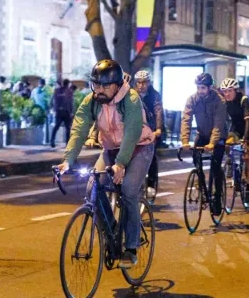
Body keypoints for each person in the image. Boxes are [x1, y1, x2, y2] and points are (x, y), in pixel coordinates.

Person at [55, 59, 154, 268]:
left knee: (128, 190)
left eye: (105, 86)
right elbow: (79, 129)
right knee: (93, 187)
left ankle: (131, 248)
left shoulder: (131, 99)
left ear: (117, 85)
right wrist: (67, 160)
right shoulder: (92, 101)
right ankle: (112, 229)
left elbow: (132, 132)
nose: (99, 90)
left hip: (139, 147)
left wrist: (120, 164)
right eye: (96, 85)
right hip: (111, 149)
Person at [181, 73, 227, 215]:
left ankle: (217, 197)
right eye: (198, 87)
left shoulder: (219, 100)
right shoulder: (192, 99)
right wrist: (185, 141)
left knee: (215, 166)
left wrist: (213, 143)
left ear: (209, 87)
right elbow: (186, 120)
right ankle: (201, 185)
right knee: (196, 160)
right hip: (202, 134)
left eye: (203, 88)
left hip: (218, 137)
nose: (200, 90)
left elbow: (218, 124)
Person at [219, 78, 249, 202]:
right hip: (235, 127)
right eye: (225, 91)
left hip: (248, 128)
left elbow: (247, 120)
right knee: (227, 142)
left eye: (230, 91)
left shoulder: (243, 99)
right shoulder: (224, 101)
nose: (227, 94)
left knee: (247, 157)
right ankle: (230, 162)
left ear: (235, 90)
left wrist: (245, 139)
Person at [134, 70, 165, 199]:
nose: (141, 85)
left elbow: (158, 111)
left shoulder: (155, 95)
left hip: (151, 129)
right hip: (135, 129)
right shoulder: (132, 94)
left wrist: (158, 129)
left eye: (144, 82)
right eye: (139, 83)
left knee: (151, 157)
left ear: (149, 83)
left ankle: (151, 184)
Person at [50, 80, 74, 148]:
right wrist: (71, 112)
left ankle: (52, 141)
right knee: (68, 128)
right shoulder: (70, 91)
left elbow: (52, 100)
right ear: (68, 84)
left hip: (58, 111)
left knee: (56, 126)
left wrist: (54, 109)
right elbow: (70, 102)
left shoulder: (56, 90)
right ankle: (67, 143)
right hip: (66, 111)